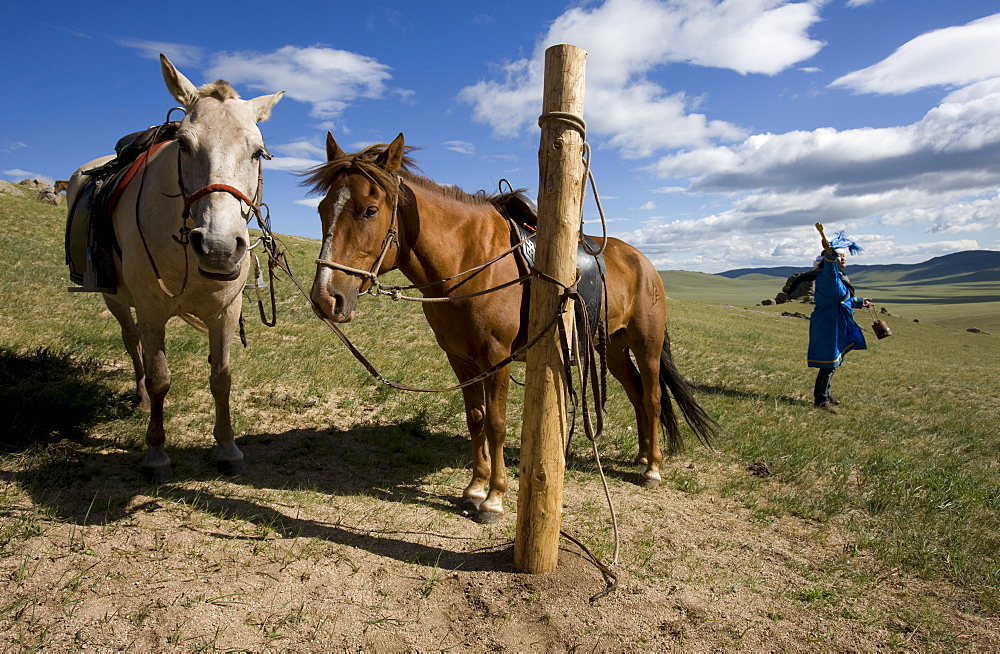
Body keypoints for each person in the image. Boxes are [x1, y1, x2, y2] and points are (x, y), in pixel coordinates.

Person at [806, 229, 874, 413]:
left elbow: (842, 299)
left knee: (835, 360)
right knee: (829, 362)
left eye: (844, 256)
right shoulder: (828, 276)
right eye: (839, 256)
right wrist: (830, 254)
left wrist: (860, 302)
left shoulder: (838, 279)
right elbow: (830, 265)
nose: (843, 259)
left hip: (837, 323)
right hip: (828, 325)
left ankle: (826, 394)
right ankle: (820, 400)